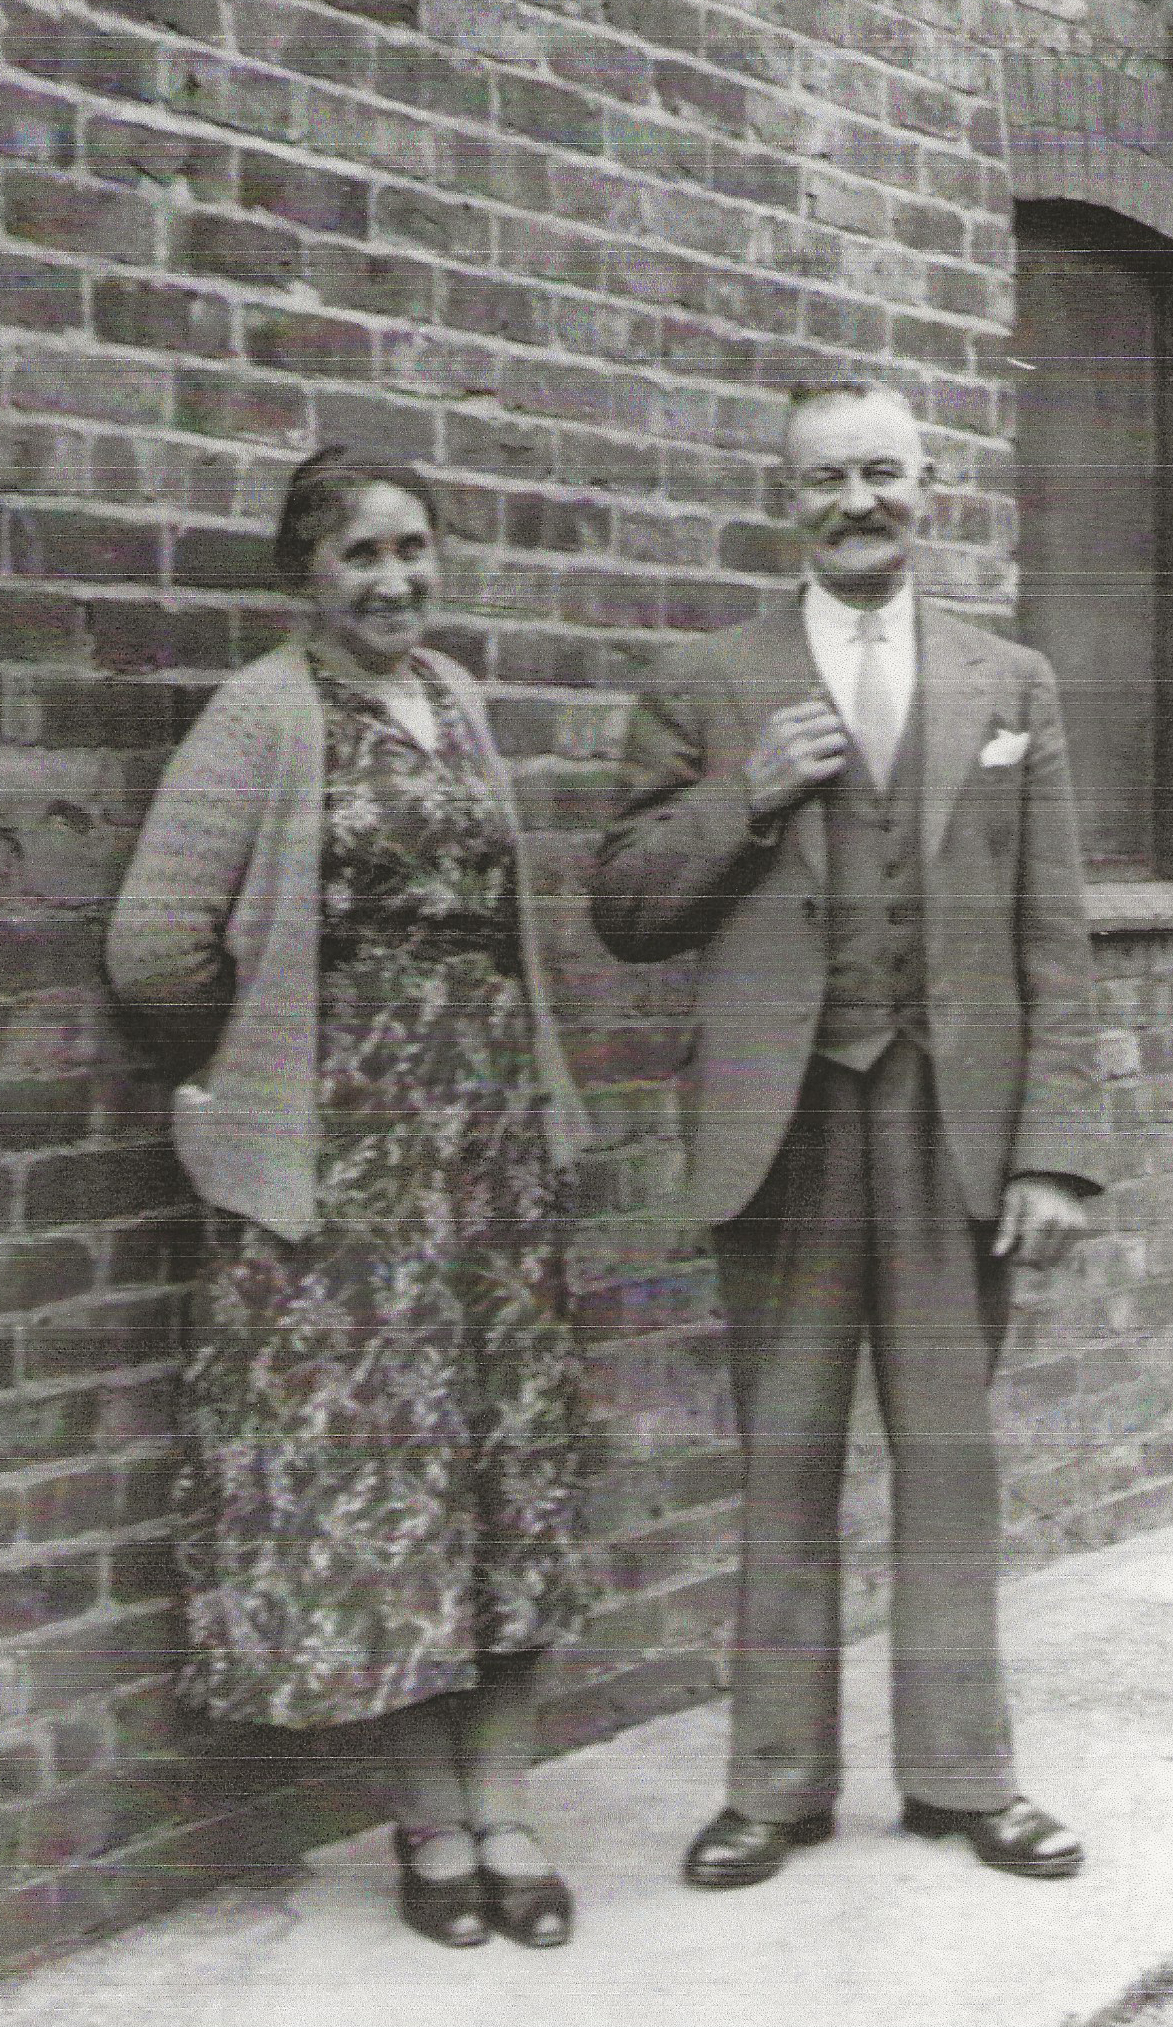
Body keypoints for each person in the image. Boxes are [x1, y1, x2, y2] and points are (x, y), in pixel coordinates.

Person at [592, 379, 1106, 1891]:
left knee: (951, 1455)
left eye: (882, 472)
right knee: (787, 1452)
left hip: (956, 1121)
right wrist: (745, 797)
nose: (858, 503)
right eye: (826, 480)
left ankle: (963, 1776)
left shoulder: (1012, 681)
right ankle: (776, 1786)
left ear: (928, 487)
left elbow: (1054, 934)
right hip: (786, 1119)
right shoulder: (707, 682)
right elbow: (625, 909)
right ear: (788, 501)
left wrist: (1055, 1149)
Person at [107, 446, 592, 1951]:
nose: (395, 580)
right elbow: (152, 948)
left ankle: (509, 1807)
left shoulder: (458, 696)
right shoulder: (263, 712)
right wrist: (261, 1075)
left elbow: (505, 929)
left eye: (413, 549)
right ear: (304, 577)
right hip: (344, 1174)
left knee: (503, 1469)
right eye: (361, 555)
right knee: (384, 1485)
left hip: (489, 1154)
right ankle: (431, 1824)